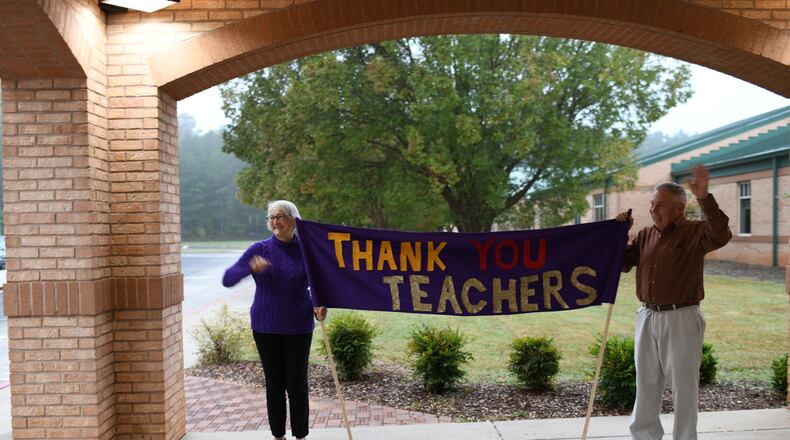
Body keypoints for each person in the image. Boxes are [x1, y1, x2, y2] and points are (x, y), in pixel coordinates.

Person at [615, 164, 731, 440]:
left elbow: (721, 234)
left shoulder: (695, 232)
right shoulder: (645, 235)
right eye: (652, 205)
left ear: (680, 208)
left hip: (682, 317)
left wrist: (704, 198)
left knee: (683, 386)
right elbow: (621, 264)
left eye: (661, 206)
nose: (654, 210)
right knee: (646, 384)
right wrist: (619, 233)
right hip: (647, 316)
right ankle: (644, 435)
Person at [222, 200, 327, 440]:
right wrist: (250, 267)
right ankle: (278, 435)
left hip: (298, 325)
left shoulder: (307, 250)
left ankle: (300, 435)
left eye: (281, 216)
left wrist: (319, 305)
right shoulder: (259, 249)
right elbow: (228, 279)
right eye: (271, 217)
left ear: (294, 220)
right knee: (275, 385)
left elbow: (317, 285)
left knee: (297, 384)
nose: (275, 221)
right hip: (265, 326)